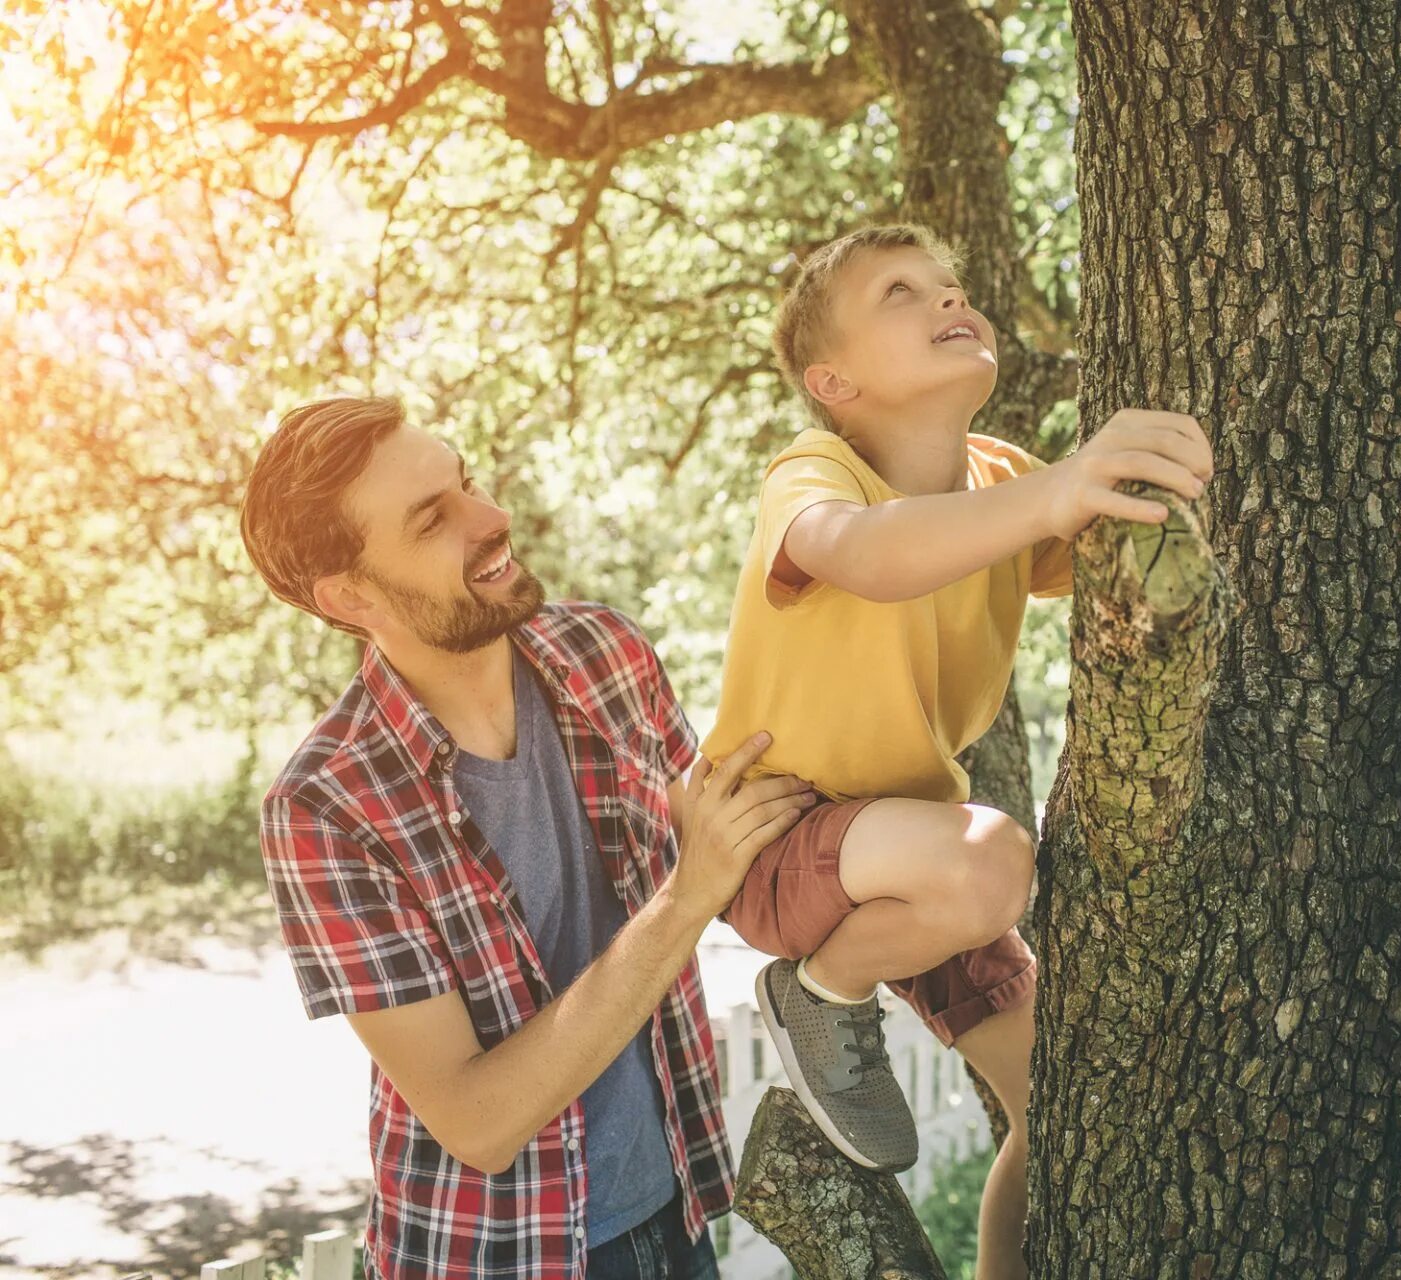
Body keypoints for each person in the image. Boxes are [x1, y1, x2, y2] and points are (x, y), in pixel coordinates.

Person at [700, 224, 1213, 1279]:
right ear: (831, 378)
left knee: (1066, 1102)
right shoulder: (816, 471)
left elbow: (1108, 539)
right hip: (787, 838)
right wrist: (1058, 490)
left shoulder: (999, 476)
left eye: (952, 284)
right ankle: (824, 990)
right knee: (994, 859)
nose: (948, 298)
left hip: (916, 857)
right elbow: (867, 554)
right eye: (902, 292)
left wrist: (1161, 482)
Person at [241, 396, 810, 1279]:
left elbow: (742, 857)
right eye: (435, 518)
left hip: (679, 1210)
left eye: (463, 482)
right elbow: (479, 1123)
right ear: (351, 596)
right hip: (496, 1256)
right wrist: (687, 894)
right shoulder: (327, 808)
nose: (493, 518)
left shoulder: (607, 651)